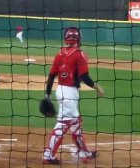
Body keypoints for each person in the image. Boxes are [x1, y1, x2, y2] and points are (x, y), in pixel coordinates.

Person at [42, 27, 104, 165]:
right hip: (70, 93)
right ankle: (48, 155)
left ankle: (84, 153)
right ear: (79, 39)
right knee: (65, 124)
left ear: (66, 38)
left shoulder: (60, 54)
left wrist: (47, 94)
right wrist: (97, 87)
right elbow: (84, 76)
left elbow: (52, 76)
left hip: (60, 91)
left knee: (73, 123)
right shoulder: (79, 54)